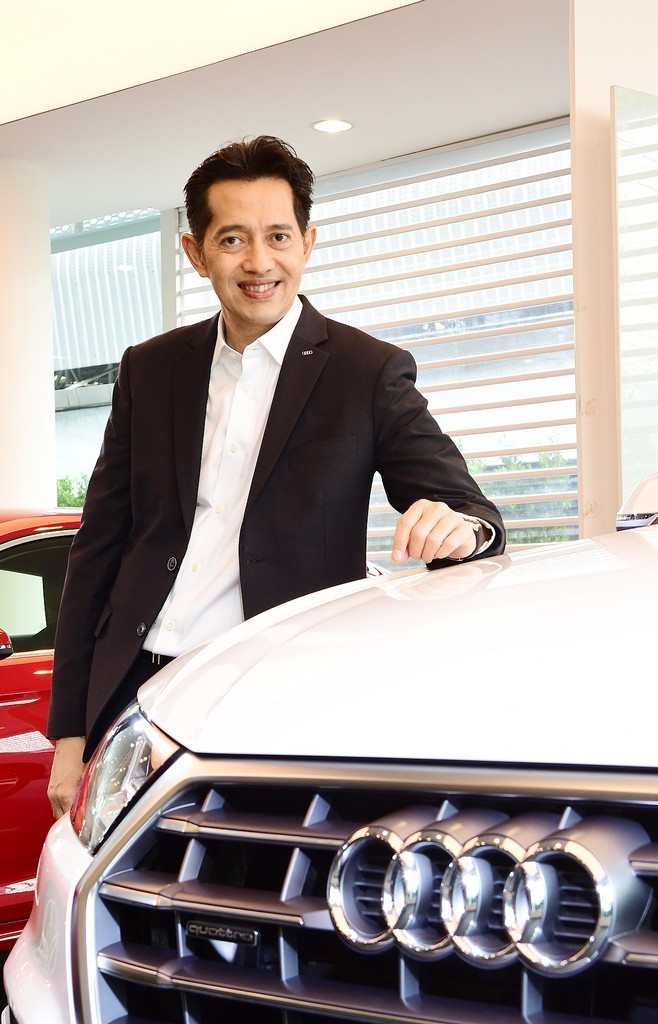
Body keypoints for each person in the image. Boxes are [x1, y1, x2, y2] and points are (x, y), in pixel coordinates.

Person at [47, 135, 505, 817]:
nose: (258, 262)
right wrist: (70, 733)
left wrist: (458, 528)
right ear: (196, 252)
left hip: (275, 687)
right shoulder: (151, 368)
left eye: (278, 237)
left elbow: (471, 512)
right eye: (232, 240)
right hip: (135, 690)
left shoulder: (365, 371)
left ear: (308, 242)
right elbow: (98, 547)